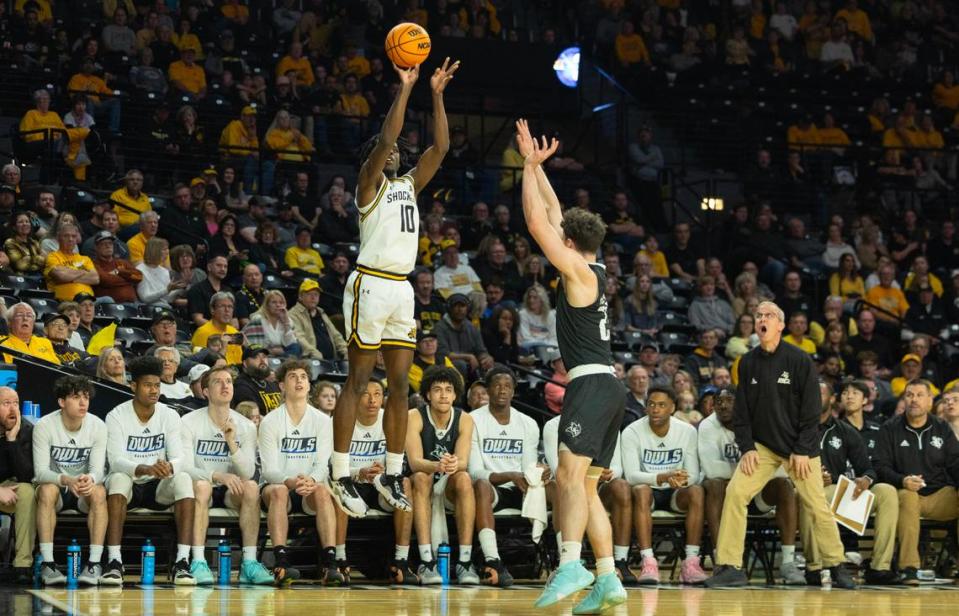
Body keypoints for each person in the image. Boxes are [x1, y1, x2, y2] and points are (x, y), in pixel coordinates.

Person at [327, 56, 460, 519]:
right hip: (370, 283)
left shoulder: (409, 187)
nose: (397, 152)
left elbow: (440, 149)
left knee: (402, 385)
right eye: (390, 152)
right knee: (359, 380)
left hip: (402, 289)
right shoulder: (370, 185)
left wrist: (438, 95)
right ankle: (340, 471)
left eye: (401, 151)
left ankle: (390, 470)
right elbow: (386, 138)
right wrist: (406, 88)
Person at [513, 120, 627, 610]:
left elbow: (540, 224)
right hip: (608, 387)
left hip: (590, 386)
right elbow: (557, 214)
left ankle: (569, 563)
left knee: (565, 477)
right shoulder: (593, 266)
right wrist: (540, 170)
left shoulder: (578, 272)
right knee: (586, 487)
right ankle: (607, 578)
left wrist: (524, 167)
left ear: (572, 246)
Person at [705, 301, 856, 589]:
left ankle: (836, 565)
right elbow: (742, 414)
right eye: (758, 315)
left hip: (798, 448)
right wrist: (747, 447)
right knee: (735, 493)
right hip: (762, 447)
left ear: (780, 325)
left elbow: (812, 411)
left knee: (816, 505)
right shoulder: (747, 362)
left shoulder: (799, 360)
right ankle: (730, 566)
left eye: (769, 315)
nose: (762, 319)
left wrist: (801, 449)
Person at [102, 356, 196, 586]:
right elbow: (115, 460)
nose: (154, 390)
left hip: (158, 487)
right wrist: (143, 467)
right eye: (147, 385)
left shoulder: (170, 415)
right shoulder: (116, 415)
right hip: (131, 483)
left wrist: (169, 466)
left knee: (183, 479)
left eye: (157, 385)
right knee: (117, 480)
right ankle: (114, 561)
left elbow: (181, 457)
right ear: (133, 386)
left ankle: (182, 562)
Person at [699, 387, 804, 585]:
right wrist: (752, 471)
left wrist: (752, 474)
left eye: (729, 400)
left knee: (784, 485)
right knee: (715, 484)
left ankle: (788, 562)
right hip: (724, 498)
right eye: (718, 401)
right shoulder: (707, 426)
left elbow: (781, 468)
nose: (723, 405)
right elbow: (712, 469)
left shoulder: (760, 423)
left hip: (758, 494)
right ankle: (722, 560)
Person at [181, 366, 273, 585]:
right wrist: (216, 476)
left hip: (232, 489)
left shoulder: (246, 426)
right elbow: (183, 465)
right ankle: (199, 561)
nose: (225, 386)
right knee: (202, 487)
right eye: (217, 382)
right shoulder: (189, 421)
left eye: (229, 382)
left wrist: (232, 444)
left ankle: (249, 563)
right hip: (202, 484)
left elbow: (249, 472)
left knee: (251, 487)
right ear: (205, 392)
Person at [802, 381, 901, 585]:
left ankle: (879, 567)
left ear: (831, 400)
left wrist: (865, 479)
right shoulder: (796, 427)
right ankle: (815, 566)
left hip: (837, 489)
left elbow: (868, 468)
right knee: (811, 495)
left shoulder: (845, 431)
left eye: (820, 393)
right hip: (806, 487)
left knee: (887, 492)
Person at [258, 359, 341, 585]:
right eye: (293, 377)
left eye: (303, 377)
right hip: (279, 486)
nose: (299, 381)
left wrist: (312, 480)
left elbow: (323, 464)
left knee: (324, 492)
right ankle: (281, 562)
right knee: (278, 492)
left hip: (309, 487)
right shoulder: (271, 421)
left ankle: (330, 563)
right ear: (283, 386)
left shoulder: (323, 421)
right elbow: (268, 470)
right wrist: (290, 481)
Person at [874, 379, 959, 586]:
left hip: (940, 495)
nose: (914, 400)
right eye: (909, 395)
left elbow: (955, 463)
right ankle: (909, 567)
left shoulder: (942, 428)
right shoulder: (890, 428)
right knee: (908, 498)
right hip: (906, 492)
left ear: (930, 401)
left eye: (920, 395)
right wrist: (902, 480)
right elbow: (880, 466)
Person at [621, 386, 706, 585]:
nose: (655, 409)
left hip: (676, 491)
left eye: (661, 405)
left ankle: (691, 563)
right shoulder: (632, 431)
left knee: (696, 491)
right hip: (648, 491)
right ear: (645, 408)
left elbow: (693, 474)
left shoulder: (687, 431)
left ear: (672, 408)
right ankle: (648, 562)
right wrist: (663, 477)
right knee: (640, 490)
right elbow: (631, 476)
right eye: (651, 404)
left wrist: (681, 480)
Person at [336, 379, 418, 585]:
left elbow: (403, 462)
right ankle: (339, 559)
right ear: (356, 397)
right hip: (353, 484)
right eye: (366, 393)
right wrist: (359, 472)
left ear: (383, 398)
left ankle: (401, 560)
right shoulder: (343, 419)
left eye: (377, 394)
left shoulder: (390, 419)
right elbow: (331, 465)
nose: (372, 399)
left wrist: (386, 471)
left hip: (382, 487)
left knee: (405, 484)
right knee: (336, 489)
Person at [468, 365, 541, 588]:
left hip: (521, 487)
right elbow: (474, 472)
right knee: (480, 485)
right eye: (497, 385)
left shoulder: (528, 423)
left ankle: (564, 562)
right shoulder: (472, 420)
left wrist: (538, 473)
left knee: (557, 488)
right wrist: (509, 474)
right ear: (488, 390)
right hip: (492, 489)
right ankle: (493, 560)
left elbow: (528, 466)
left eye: (508, 386)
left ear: (514, 391)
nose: (502, 390)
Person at [406, 365, 479, 585]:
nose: (443, 394)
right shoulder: (414, 416)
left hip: (447, 481)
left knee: (465, 478)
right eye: (437, 389)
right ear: (427, 394)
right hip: (422, 481)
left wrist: (454, 463)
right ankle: (426, 561)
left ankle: (465, 561)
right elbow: (415, 462)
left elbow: (464, 461)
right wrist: (439, 465)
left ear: (456, 394)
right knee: (420, 476)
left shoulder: (465, 419)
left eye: (448, 389)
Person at [32, 375, 107, 586]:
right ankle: (48, 563)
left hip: (83, 489)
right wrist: (66, 479)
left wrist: (90, 479)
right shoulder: (45, 425)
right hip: (58, 487)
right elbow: (40, 473)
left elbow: (98, 470)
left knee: (100, 491)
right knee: (46, 490)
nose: (83, 402)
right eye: (76, 397)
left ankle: (94, 563)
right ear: (62, 402)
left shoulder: (97, 426)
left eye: (86, 397)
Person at [0, 386, 36, 584]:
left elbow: (26, 475)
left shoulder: (26, 430)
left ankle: (22, 564)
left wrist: (12, 439)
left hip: (9, 487)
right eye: (6, 404)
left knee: (27, 492)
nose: (13, 409)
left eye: (16, 403)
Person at [287, 279, 347, 361]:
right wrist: (314, 353)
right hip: (310, 360)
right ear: (300, 296)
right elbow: (299, 338)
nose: (313, 297)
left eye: (316, 294)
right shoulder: (293, 314)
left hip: (332, 361)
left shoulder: (321, 312)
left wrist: (346, 351)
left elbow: (336, 335)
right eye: (309, 294)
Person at [44, 223, 99, 302]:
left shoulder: (85, 258)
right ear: (59, 238)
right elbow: (61, 277)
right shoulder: (53, 257)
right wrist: (83, 272)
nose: (70, 239)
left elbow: (95, 278)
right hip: (65, 302)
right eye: (66, 236)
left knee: (107, 300)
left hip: (89, 301)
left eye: (73, 236)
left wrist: (68, 274)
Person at [232, 345, 282, 415]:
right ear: (245, 363)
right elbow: (253, 418)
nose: (262, 361)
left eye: (264, 357)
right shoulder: (241, 386)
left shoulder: (272, 384)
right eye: (255, 357)